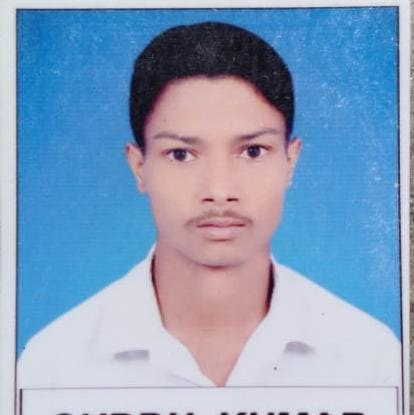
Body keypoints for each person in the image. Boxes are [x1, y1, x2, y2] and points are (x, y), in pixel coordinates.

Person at [18, 22, 401, 389]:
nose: (219, 191)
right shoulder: (53, 366)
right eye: (181, 154)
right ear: (139, 167)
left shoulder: (371, 360)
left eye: (253, 151)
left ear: (290, 161)